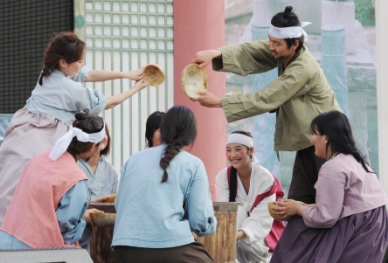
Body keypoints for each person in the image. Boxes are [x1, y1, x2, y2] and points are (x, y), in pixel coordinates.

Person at [0, 31, 147, 250]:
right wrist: (136, 88)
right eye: (79, 61)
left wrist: (126, 74)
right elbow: (107, 103)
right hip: (36, 141)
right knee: (18, 197)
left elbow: (89, 74)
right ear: (64, 62)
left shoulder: (47, 75)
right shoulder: (69, 90)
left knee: (4, 193)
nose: (82, 66)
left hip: (18, 136)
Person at [191, 6, 341, 207]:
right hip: (310, 142)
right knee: (297, 203)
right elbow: (251, 51)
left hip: (328, 142)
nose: (271, 47)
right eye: (270, 40)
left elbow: (268, 97)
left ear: (295, 44)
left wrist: (219, 102)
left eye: (276, 44)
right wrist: (215, 53)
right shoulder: (285, 51)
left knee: (329, 204)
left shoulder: (302, 68)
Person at [269, 111, 388, 263]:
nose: (311, 140)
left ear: (325, 138)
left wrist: (298, 210)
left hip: (358, 229)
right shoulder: (356, 160)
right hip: (375, 225)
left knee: (296, 235)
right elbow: (343, 206)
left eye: (314, 133)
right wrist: (302, 205)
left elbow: (326, 217)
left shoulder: (332, 167)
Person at [112, 105, 217, 263]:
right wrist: (212, 224)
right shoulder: (193, 164)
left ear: (163, 130)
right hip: (167, 248)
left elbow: (119, 205)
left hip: (123, 247)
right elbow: (200, 221)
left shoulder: (133, 159)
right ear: (192, 135)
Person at [0, 111, 105, 249]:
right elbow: (66, 229)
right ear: (93, 146)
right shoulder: (76, 178)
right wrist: (81, 221)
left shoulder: (40, 157)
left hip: (7, 239)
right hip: (37, 250)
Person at [216, 131, 284, 263]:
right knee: (237, 211)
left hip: (260, 234)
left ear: (250, 150)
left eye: (238, 149)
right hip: (232, 233)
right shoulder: (223, 177)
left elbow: (262, 219)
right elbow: (224, 213)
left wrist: (237, 235)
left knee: (246, 243)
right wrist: (232, 236)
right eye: (228, 150)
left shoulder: (265, 178)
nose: (233, 155)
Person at [77, 123, 118, 250]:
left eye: (105, 132)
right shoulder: (74, 166)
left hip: (103, 238)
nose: (103, 137)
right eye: (99, 133)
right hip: (78, 236)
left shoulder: (111, 172)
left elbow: (113, 206)